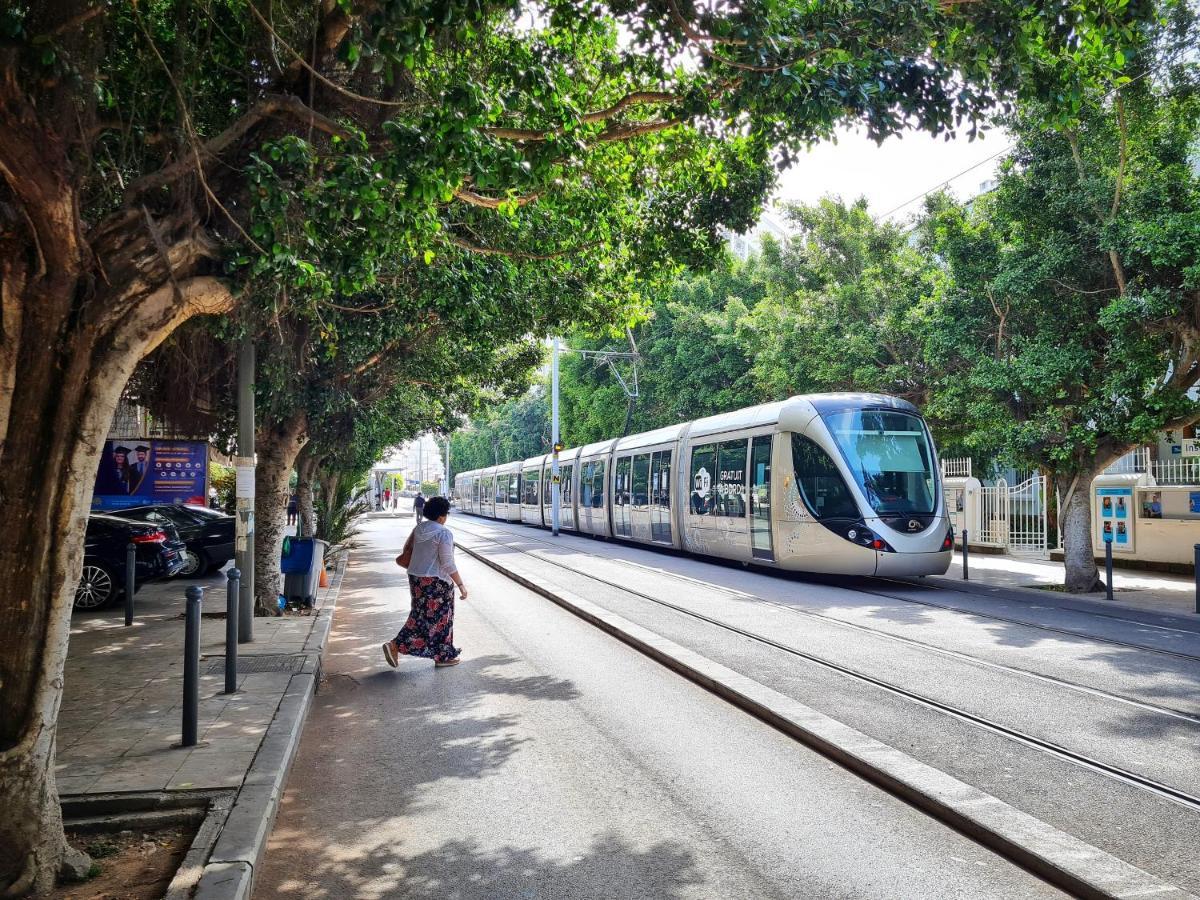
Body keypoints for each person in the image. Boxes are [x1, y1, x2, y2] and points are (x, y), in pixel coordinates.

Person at [383, 496, 466, 668]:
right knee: (442, 619)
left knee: (419, 616)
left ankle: (397, 645)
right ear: (442, 516)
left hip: (416, 578)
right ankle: (441, 656)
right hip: (436, 582)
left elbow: (408, 550)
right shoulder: (444, 533)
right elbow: (447, 563)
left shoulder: (419, 528)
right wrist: (460, 585)